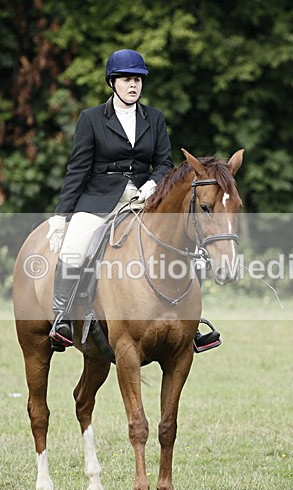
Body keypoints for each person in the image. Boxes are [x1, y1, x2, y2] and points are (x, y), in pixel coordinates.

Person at [46, 49, 220, 352]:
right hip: (100, 199)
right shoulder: (91, 119)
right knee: (75, 246)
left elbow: (164, 162)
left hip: (143, 200)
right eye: (127, 79)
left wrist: (153, 183)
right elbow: (78, 169)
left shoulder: (154, 117)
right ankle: (61, 318)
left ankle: (190, 324)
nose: (134, 85)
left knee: (183, 246)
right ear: (113, 82)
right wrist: (62, 216)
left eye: (138, 79)